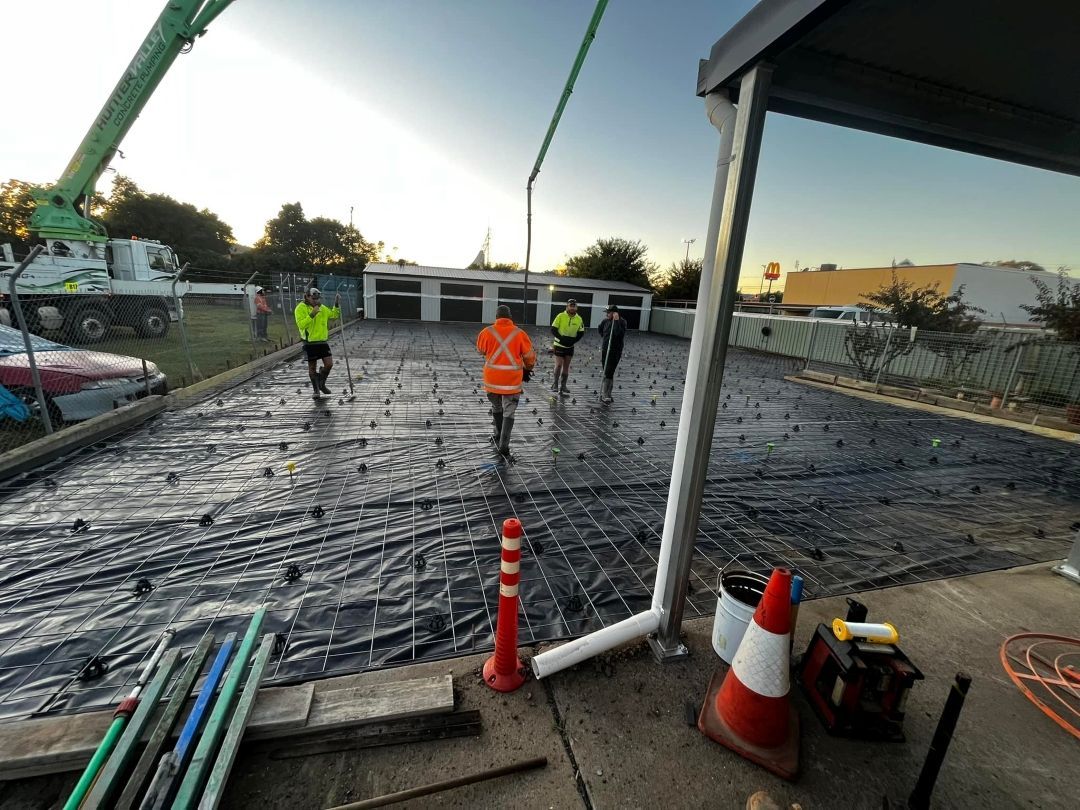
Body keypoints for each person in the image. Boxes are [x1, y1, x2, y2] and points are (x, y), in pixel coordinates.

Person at [477, 304, 536, 456]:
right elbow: (530, 357)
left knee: (496, 407)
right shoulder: (520, 333)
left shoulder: (486, 332)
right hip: (511, 382)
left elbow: (481, 350)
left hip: (492, 381)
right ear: (510, 317)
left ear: (496, 317)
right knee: (509, 411)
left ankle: (497, 434)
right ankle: (504, 445)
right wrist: (527, 368)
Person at [294, 287, 341, 400]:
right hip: (309, 342)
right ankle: (316, 390)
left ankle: (321, 384)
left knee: (329, 364)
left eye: (318, 299)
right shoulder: (300, 308)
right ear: (307, 297)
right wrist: (312, 314)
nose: (316, 301)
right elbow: (301, 325)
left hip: (322, 341)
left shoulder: (322, 307)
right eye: (314, 298)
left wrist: (336, 304)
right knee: (312, 367)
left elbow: (334, 315)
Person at [550, 298, 585, 396]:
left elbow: (581, 332)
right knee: (559, 365)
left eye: (574, 306)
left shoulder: (579, 319)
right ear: (567, 307)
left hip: (570, 346)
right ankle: (555, 384)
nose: (572, 308)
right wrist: (561, 338)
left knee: (566, 367)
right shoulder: (560, 316)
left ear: (576, 308)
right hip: (559, 344)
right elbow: (553, 329)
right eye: (570, 306)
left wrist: (574, 340)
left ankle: (563, 386)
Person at [597, 304, 627, 404]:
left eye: (608, 313)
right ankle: (608, 394)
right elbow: (600, 328)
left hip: (615, 350)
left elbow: (618, 333)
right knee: (606, 371)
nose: (607, 315)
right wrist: (604, 337)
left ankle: (606, 395)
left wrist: (616, 320)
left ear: (615, 313)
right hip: (606, 349)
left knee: (609, 371)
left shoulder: (622, 322)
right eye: (607, 313)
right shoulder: (605, 321)